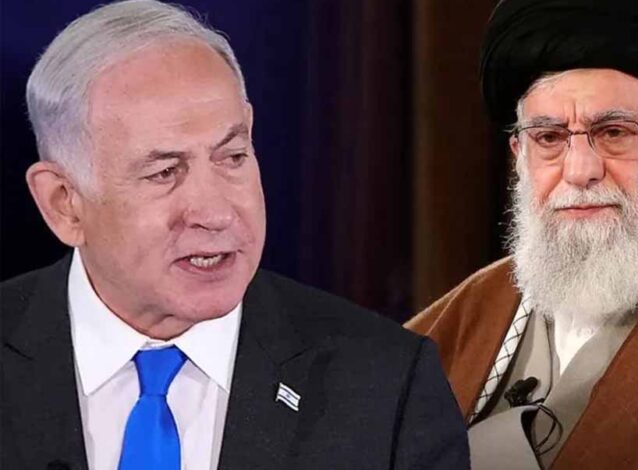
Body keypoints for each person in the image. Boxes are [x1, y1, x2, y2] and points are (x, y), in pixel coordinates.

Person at [0, 1, 468, 469]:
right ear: (64, 203)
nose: (216, 213)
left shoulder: (387, 386)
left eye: (233, 157)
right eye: (165, 172)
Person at [406, 0, 638, 468]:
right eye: (549, 138)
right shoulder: (447, 330)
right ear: (519, 154)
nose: (580, 171)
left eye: (614, 132)